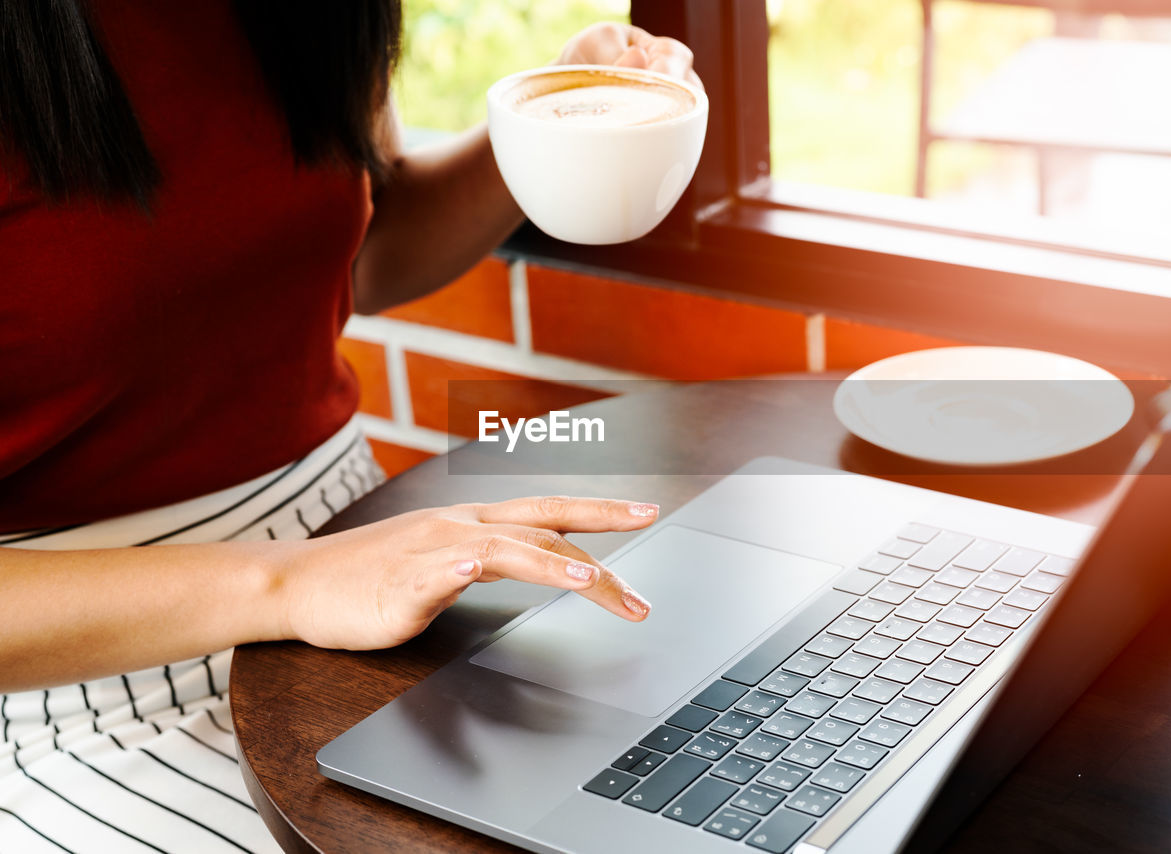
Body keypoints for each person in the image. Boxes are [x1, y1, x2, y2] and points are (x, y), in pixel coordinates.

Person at [0, 3, 698, 851]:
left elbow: (364, 246)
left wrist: (551, 127)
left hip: (364, 554)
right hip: (80, 676)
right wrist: (291, 582)